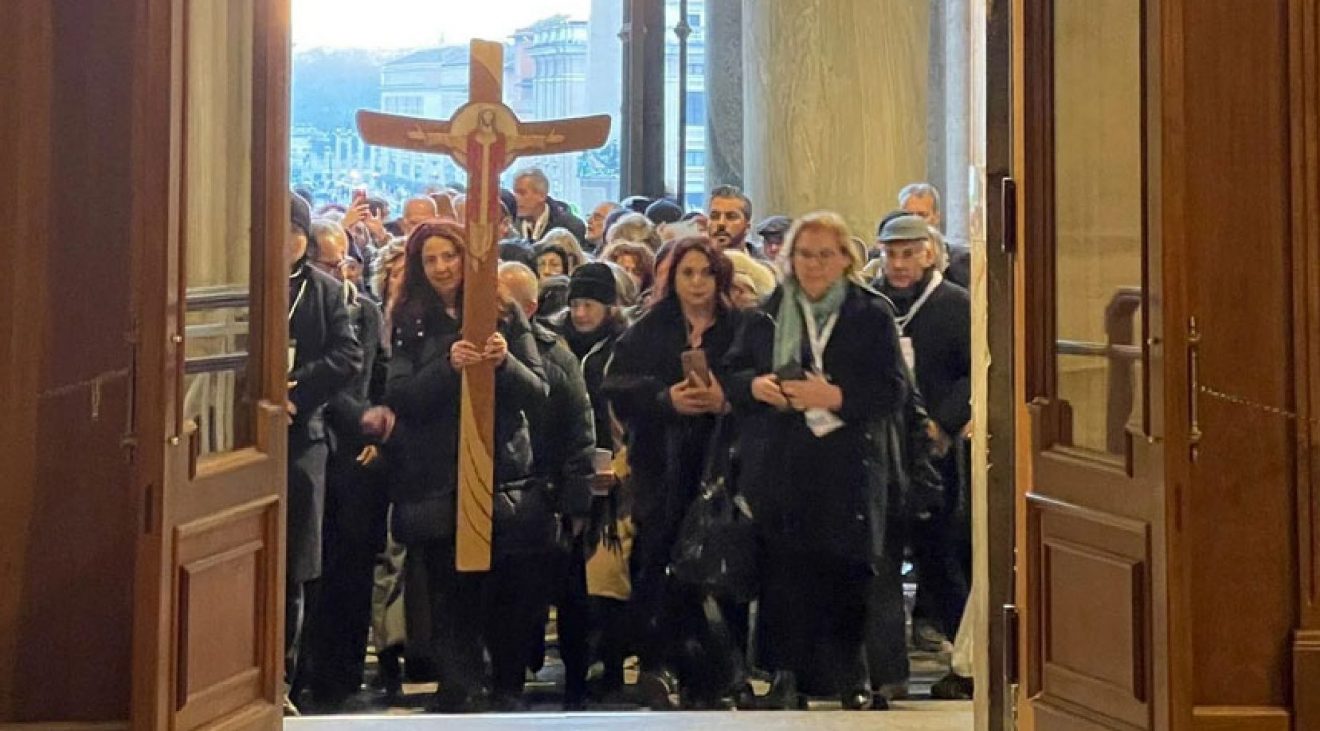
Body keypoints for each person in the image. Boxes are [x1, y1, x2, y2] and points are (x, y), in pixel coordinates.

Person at [362, 220, 550, 712]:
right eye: (431, 259)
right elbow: (400, 395)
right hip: (437, 478)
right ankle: (459, 687)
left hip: (500, 473)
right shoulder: (409, 318)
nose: (442, 267)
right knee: (448, 592)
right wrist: (447, 367)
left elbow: (539, 391)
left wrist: (505, 363)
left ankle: (506, 687)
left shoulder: (503, 310)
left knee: (504, 590)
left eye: (450, 256)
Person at [733, 211, 908, 710]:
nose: (813, 265)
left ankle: (850, 675)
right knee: (784, 574)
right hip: (784, 462)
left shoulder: (869, 314)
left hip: (847, 464)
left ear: (844, 260)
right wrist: (755, 386)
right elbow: (735, 373)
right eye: (804, 255)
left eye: (824, 255)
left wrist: (836, 396)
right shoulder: (768, 313)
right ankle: (784, 675)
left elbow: (893, 390)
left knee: (847, 573)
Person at [602, 237, 770, 709]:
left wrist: (727, 397)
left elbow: (767, 381)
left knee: (720, 568)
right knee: (661, 563)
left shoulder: (744, 327)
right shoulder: (649, 328)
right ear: (672, 279)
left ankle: (722, 674)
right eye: (687, 273)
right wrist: (665, 399)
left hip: (724, 464)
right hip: (663, 466)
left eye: (706, 273)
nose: (697, 283)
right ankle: (664, 666)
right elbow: (616, 384)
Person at [498, 262, 600, 710]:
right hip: (501, 495)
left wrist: (576, 502)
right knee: (508, 601)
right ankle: (506, 682)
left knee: (565, 594)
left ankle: (575, 685)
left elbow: (580, 430)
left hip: (546, 495)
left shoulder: (556, 357)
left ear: (529, 308)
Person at [298, 220, 390, 713]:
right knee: (316, 570)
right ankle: (308, 673)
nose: (341, 274)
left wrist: (381, 433)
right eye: (330, 265)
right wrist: (362, 422)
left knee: (355, 571)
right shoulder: (304, 305)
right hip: (322, 445)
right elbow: (322, 385)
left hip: (362, 459)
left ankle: (346, 675)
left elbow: (380, 371)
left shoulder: (367, 310)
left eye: (346, 263)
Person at [874, 213, 972, 656]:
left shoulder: (953, 303)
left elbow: (972, 372)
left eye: (909, 254)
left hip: (934, 442)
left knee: (938, 546)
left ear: (929, 254)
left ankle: (954, 639)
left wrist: (944, 421)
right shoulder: (873, 303)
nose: (899, 264)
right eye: (891, 254)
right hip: (882, 441)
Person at [285, 194, 363, 711]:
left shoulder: (325, 290)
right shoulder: (242, 280)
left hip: (303, 436)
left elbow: (347, 356)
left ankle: (283, 679)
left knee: (294, 565)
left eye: (294, 232)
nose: (285, 242)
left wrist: (294, 387)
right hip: (248, 432)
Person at [512, 167, 588, 244]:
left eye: (522, 193)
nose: (515, 198)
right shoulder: (510, 226)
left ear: (542, 195)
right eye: (515, 193)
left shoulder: (570, 227)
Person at [707, 185, 762, 259]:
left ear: (747, 227)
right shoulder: (696, 263)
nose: (721, 223)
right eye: (714, 216)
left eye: (731, 217)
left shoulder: (763, 265)